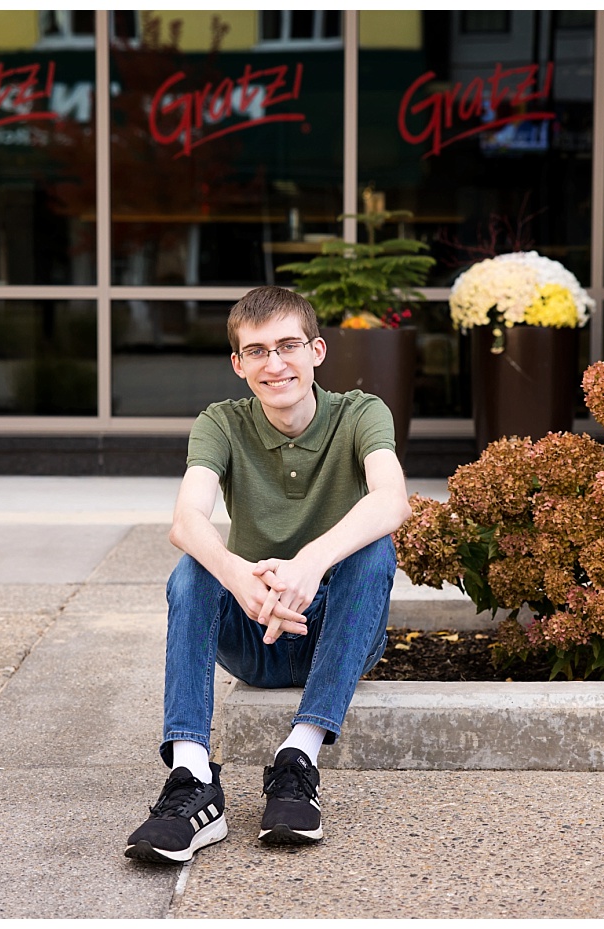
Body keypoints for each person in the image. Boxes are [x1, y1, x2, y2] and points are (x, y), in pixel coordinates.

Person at [124, 286, 409, 862]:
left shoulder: (360, 413)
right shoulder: (221, 423)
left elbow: (393, 500)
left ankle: (297, 760)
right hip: (253, 636)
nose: (274, 364)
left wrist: (310, 563)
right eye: (257, 351)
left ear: (317, 351)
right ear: (238, 364)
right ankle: (192, 780)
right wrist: (238, 577)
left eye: (288, 346)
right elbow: (186, 519)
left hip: (335, 633)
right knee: (193, 568)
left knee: (375, 549)